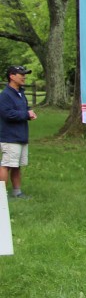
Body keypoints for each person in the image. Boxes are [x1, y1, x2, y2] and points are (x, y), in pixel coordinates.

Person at [0, 66, 37, 199]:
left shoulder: (20, 93)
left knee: (16, 165)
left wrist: (29, 111)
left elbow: (24, 108)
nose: (24, 77)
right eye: (21, 74)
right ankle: (2, 195)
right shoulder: (5, 95)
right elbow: (7, 114)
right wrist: (26, 114)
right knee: (6, 165)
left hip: (21, 135)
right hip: (10, 136)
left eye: (24, 74)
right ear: (12, 76)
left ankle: (17, 192)